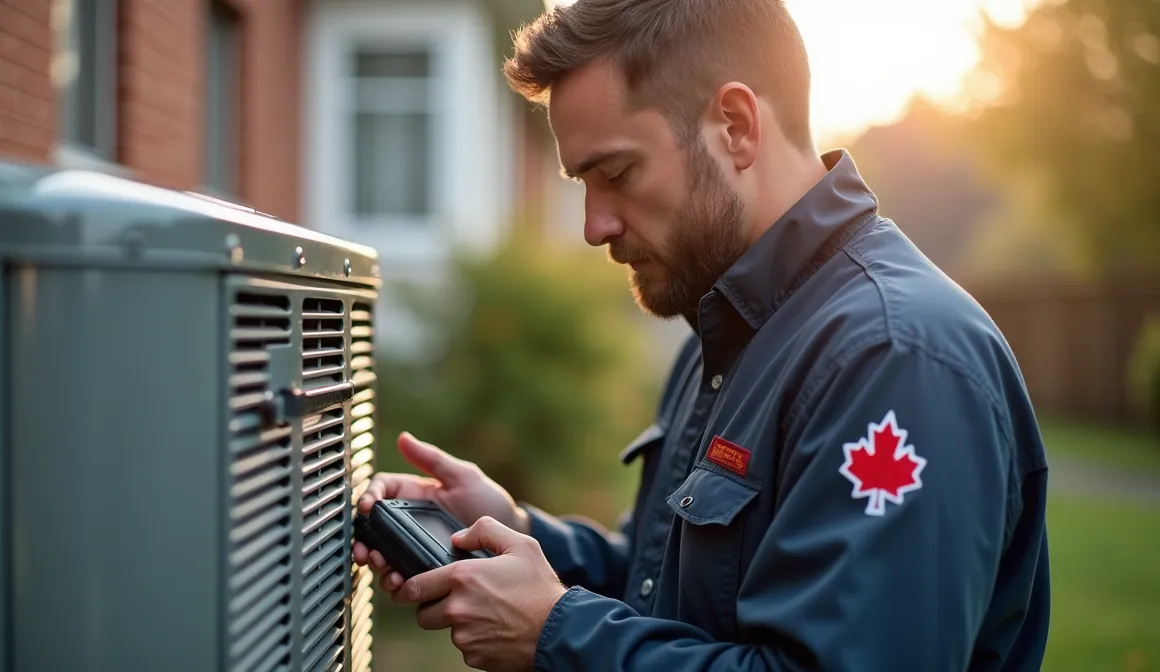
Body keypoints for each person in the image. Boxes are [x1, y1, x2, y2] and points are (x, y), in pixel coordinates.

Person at [352, 0, 1052, 670]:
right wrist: (520, 534)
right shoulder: (724, 333)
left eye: (616, 173)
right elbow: (667, 590)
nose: (595, 225)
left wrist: (556, 635)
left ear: (737, 126)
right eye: (582, 184)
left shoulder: (895, 357)